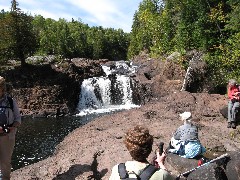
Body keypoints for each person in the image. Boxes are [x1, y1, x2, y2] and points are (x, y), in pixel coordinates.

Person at [109, 125, 174, 180]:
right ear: (150, 149)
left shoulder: (117, 169)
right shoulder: (162, 175)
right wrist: (161, 164)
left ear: (129, 148)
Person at [0, 76, 21, 180]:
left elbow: (18, 119)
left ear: (2, 88)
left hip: (7, 137)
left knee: (5, 162)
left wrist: (12, 127)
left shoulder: (11, 101)